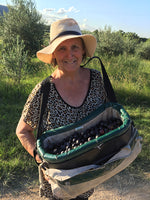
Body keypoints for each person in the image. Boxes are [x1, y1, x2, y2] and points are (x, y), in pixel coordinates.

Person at [16, 18, 107, 200]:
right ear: (54, 54)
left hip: (87, 174)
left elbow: (105, 117)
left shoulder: (97, 81)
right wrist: (43, 161)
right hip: (56, 181)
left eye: (75, 47)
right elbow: (22, 131)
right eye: (62, 48)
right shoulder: (44, 90)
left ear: (83, 50)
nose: (70, 54)